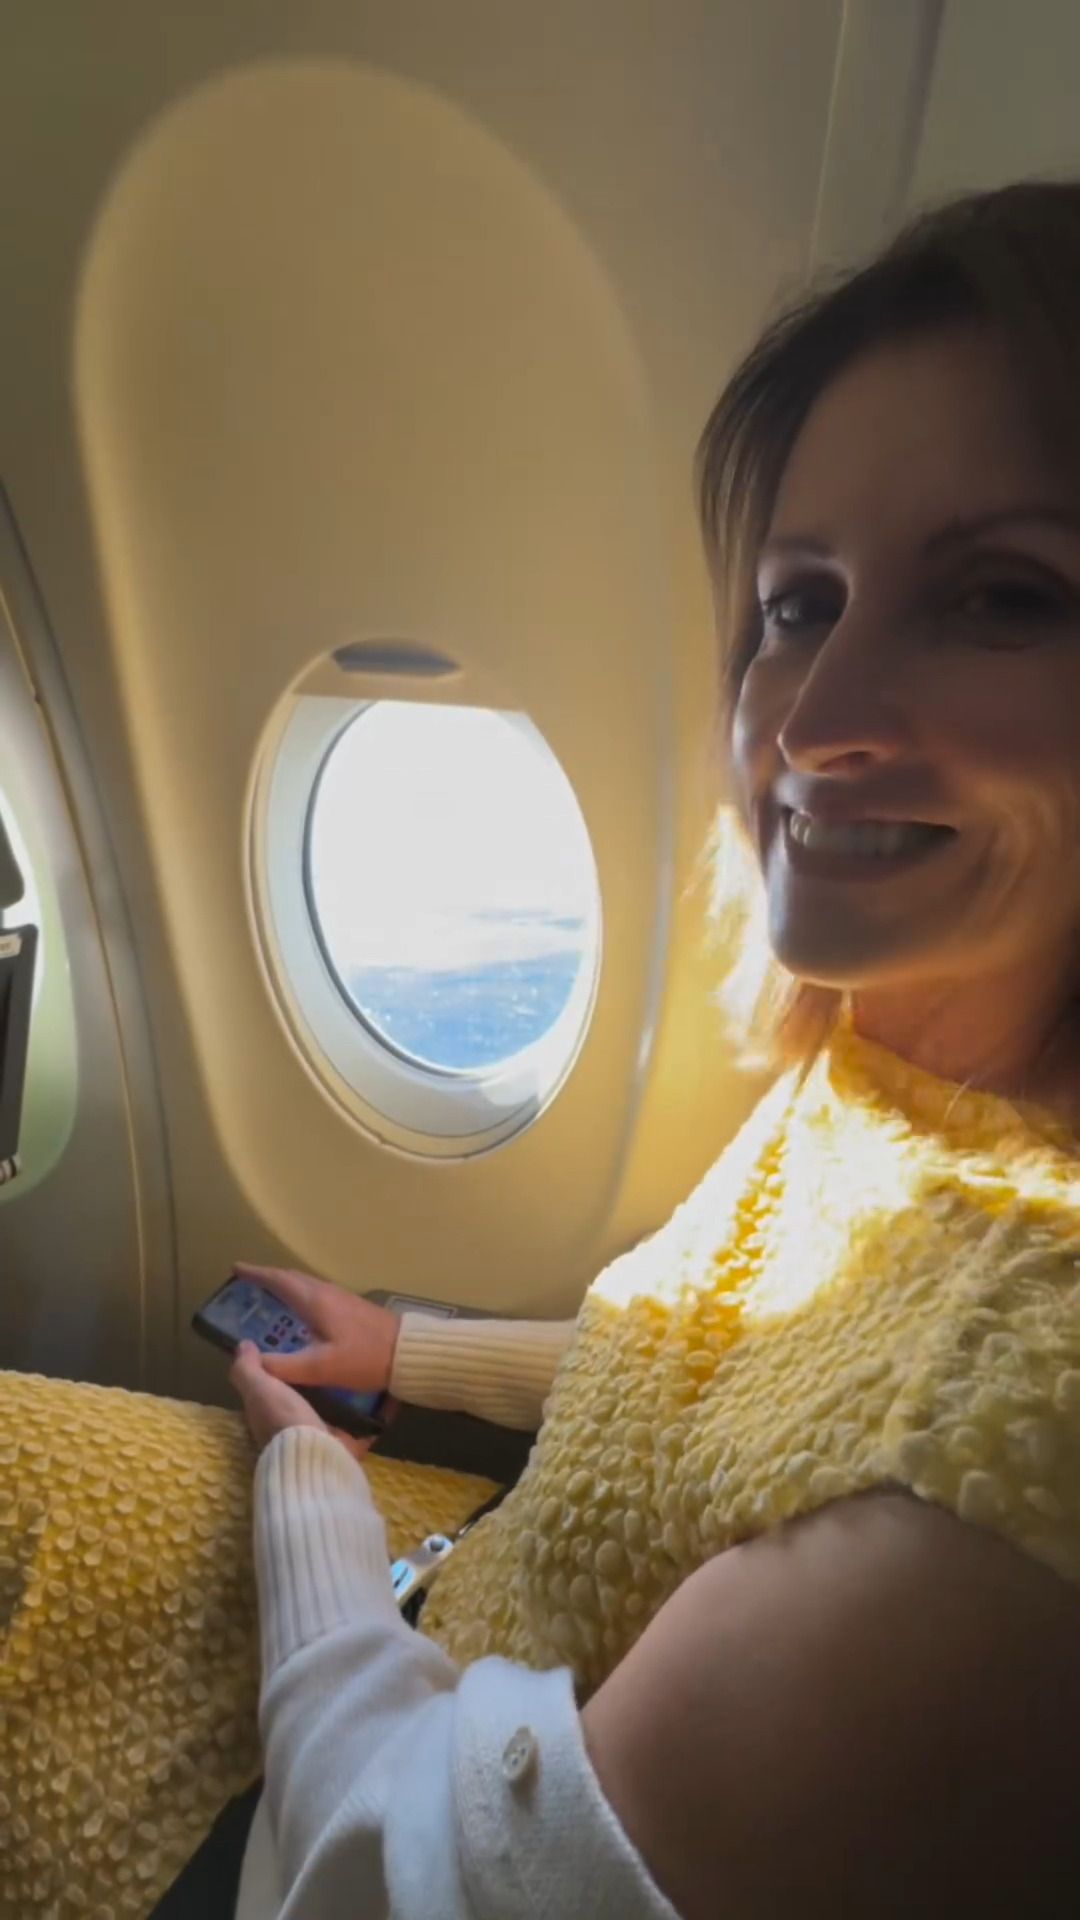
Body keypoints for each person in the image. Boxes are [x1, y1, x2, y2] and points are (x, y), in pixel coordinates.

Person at [8, 177, 1080, 1917]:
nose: (809, 722)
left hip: (332, 1808)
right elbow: (739, 1372)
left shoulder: (991, 1519)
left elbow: (378, 1877)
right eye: (799, 603)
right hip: (446, 1613)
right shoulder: (919, 1077)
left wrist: (306, 1492)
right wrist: (409, 1349)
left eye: (1004, 598)